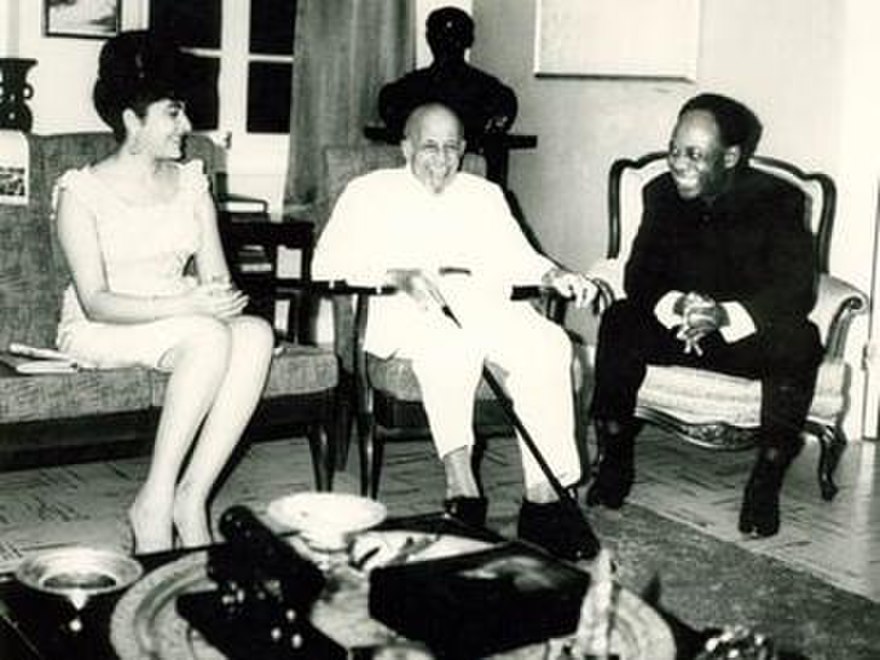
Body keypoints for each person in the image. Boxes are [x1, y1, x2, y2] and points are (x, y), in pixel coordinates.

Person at [313, 102, 600, 561]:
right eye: (429, 147)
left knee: (550, 343)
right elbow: (325, 264)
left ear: (464, 150)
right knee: (452, 344)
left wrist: (553, 276)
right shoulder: (368, 192)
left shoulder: (484, 194)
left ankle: (544, 501)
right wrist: (396, 273)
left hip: (482, 301)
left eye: (451, 148)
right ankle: (462, 488)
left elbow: (519, 256)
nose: (441, 160)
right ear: (405, 147)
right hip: (404, 305)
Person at [54, 31, 274, 553]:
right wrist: (191, 305)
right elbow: (95, 301)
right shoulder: (80, 193)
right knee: (206, 336)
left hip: (185, 316)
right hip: (104, 326)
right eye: (173, 113)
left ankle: (190, 497)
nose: (187, 126)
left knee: (256, 334)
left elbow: (216, 279)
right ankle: (153, 499)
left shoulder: (192, 181)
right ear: (133, 121)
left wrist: (220, 298)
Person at [587, 93, 823, 538]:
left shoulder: (778, 200)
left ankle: (765, 483)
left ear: (731, 156)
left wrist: (726, 315)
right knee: (620, 318)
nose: (677, 163)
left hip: (741, 338)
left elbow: (796, 290)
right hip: (676, 329)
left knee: (801, 338)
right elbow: (640, 276)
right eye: (675, 150)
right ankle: (614, 462)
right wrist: (677, 306)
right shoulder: (658, 192)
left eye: (694, 154)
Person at [378, 6, 517, 148]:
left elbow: (498, 119)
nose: (446, 42)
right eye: (439, 35)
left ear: (469, 40)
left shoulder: (494, 94)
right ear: (429, 38)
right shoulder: (400, 92)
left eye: (455, 35)